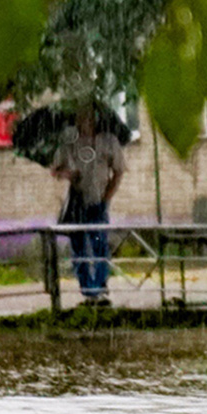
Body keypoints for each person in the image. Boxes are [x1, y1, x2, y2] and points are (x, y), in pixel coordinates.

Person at [50, 102, 126, 306]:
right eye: (80, 117)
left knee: (100, 244)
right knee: (79, 247)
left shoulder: (108, 141)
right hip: (78, 200)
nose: (83, 121)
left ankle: (99, 289)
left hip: (99, 200)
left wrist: (107, 195)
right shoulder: (70, 142)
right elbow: (55, 169)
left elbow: (119, 170)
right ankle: (88, 291)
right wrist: (68, 174)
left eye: (88, 117)